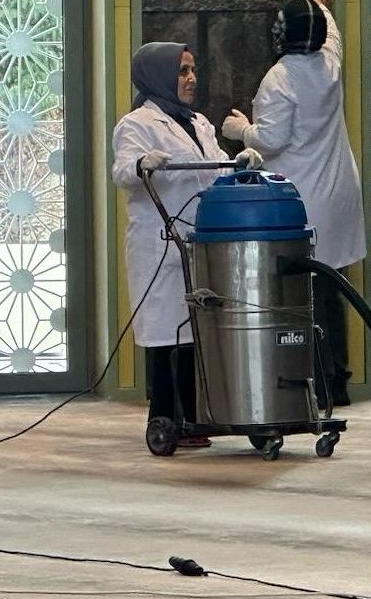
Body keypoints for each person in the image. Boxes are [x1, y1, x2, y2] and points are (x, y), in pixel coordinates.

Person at [111, 42, 262, 447]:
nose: (191, 78)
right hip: (159, 244)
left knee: (198, 332)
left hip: (201, 241)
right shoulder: (137, 124)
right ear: (158, 74)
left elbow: (212, 172)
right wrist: (142, 164)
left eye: (193, 69)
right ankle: (163, 420)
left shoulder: (198, 122)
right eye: (182, 71)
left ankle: (198, 418)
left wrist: (239, 163)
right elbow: (123, 170)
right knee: (166, 334)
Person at [221, 0, 365, 407]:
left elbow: (273, 139)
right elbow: (333, 33)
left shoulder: (279, 78)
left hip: (303, 197)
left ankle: (316, 382)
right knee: (333, 289)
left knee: (306, 296)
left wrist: (241, 129)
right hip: (339, 192)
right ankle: (336, 378)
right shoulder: (330, 65)